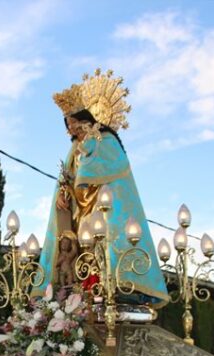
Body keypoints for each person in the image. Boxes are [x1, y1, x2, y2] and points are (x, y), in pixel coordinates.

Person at [38, 70, 168, 306]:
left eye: (74, 124)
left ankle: (111, 287)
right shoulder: (74, 150)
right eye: (68, 127)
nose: (71, 131)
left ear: (86, 119)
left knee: (103, 248)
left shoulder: (104, 140)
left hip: (102, 208)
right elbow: (68, 180)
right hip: (80, 211)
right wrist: (63, 195)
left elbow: (105, 168)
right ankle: (81, 287)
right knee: (81, 250)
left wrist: (87, 159)